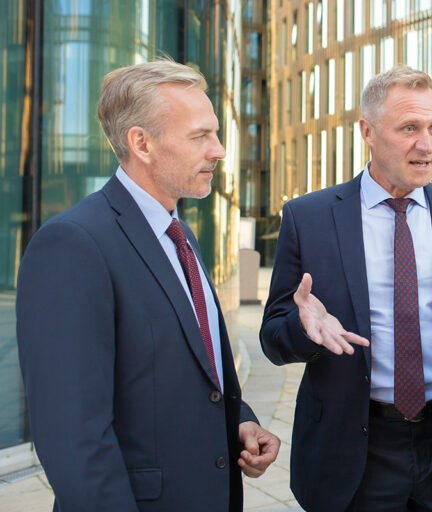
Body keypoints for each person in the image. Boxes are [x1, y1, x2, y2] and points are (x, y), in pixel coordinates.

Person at [16, 59, 280, 512]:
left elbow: (193, 373)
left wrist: (239, 421)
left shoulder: (180, 234)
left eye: (215, 134)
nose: (218, 150)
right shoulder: (72, 245)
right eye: (201, 136)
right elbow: (74, 440)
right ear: (142, 143)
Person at [260, 66, 432, 511]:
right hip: (352, 453)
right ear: (368, 131)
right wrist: (305, 331)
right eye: (409, 128)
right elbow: (273, 338)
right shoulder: (309, 217)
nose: (428, 144)